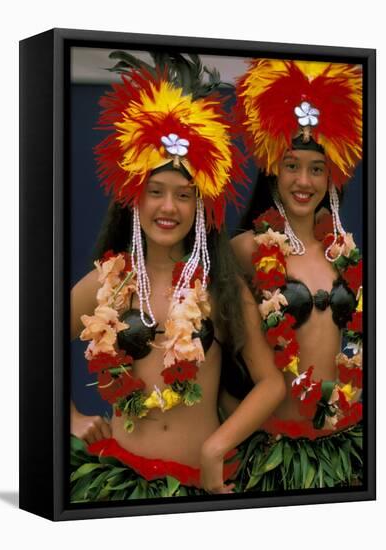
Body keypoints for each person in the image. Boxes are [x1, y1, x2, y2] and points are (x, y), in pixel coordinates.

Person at [69, 53, 286, 501]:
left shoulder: (219, 288)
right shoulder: (108, 284)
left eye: (184, 196)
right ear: (134, 198)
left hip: (197, 486)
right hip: (116, 482)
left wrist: (216, 446)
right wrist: (68, 418)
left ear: (202, 207)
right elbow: (27, 347)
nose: (169, 208)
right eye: (155, 192)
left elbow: (271, 382)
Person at [231, 59, 363, 490]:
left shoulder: (345, 252)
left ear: (333, 175)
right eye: (291, 165)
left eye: (316, 168)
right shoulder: (247, 249)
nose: (303, 180)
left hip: (347, 443)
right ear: (273, 169)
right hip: (274, 452)